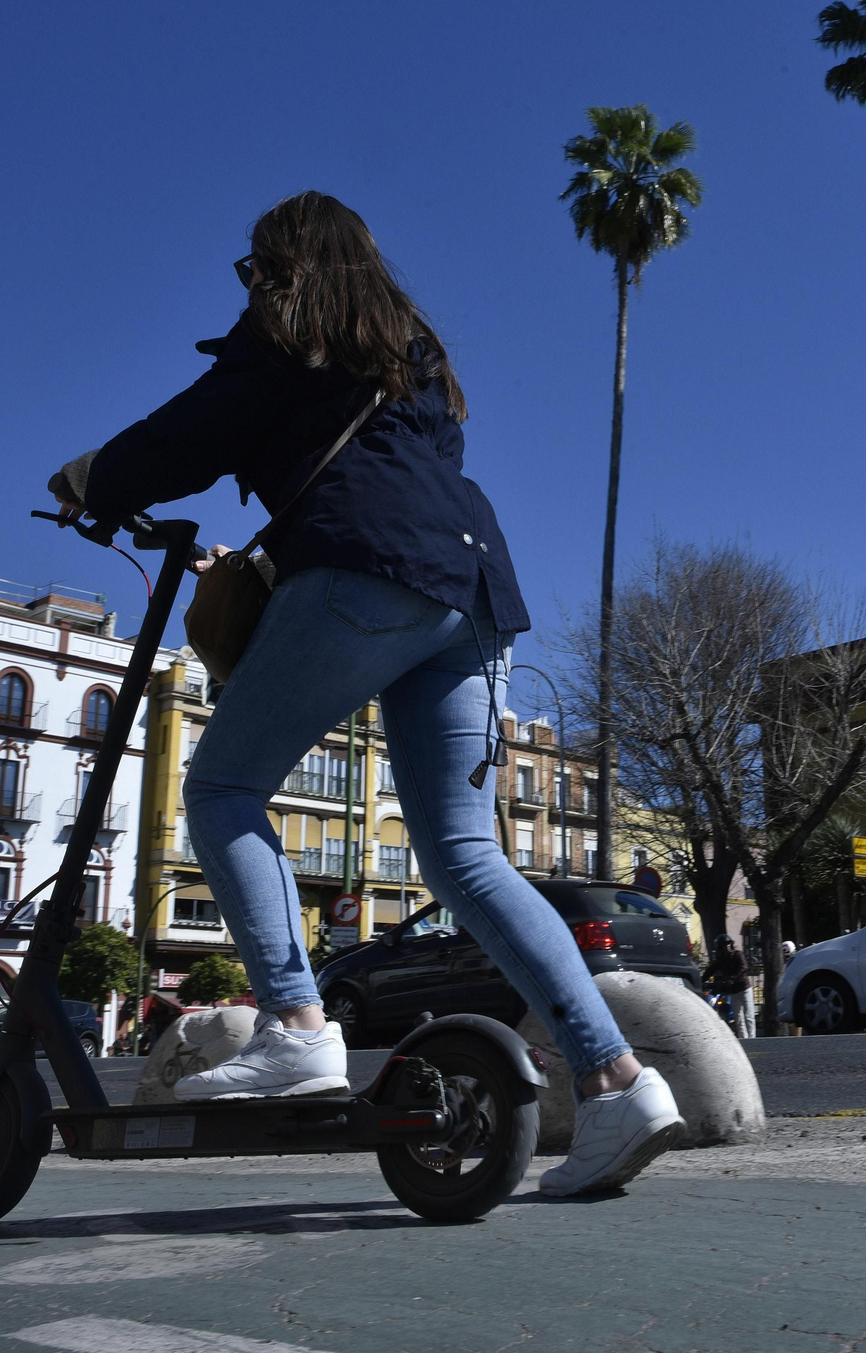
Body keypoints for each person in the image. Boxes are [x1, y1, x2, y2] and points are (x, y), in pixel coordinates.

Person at [49, 192, 685, 1197]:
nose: (248, 283)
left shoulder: (283, 331)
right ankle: (619, 1080)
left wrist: (94, 474)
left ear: (283, 265)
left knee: (221, 789)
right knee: (467, 854)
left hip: (364, 578)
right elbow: (391, 474)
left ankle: (298, 1022)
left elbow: (192, 433)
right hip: (472, 589)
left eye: (254, 266)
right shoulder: (413, 351)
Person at [707, 934, 756, 1041]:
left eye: (728, 944)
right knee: (738, 1018)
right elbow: (711, 970)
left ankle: (752, 1039)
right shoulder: (721, 960)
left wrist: (732, 979)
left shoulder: (738, 955)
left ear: (731, 945)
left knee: (749, 1015)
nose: (727, 947)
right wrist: (701, 979)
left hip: (744, 989)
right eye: (724, 945)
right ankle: (744, 1040)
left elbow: (743, 967)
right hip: (733, 991)